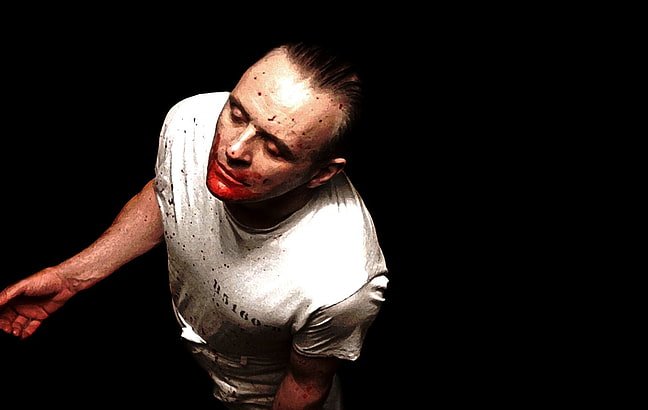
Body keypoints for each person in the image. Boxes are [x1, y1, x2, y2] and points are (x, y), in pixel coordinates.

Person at [0, 43, 388, 410]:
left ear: (321, 173)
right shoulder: (191, 121)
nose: (234, 149)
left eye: (273, 149)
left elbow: (306, 383)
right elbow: (170, 193)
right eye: (237, 114)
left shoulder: (341, 280)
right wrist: (70, 278)